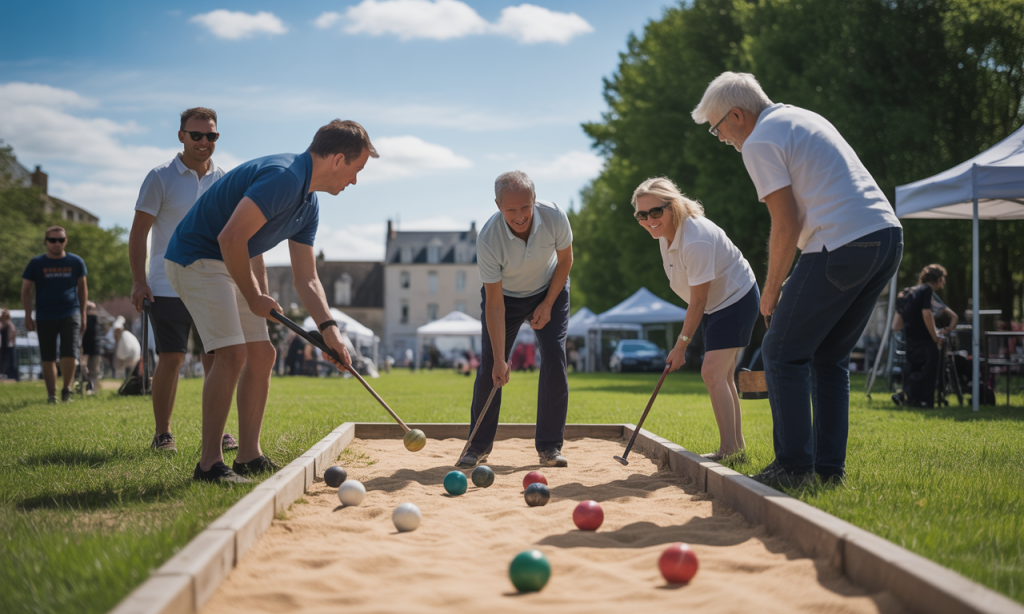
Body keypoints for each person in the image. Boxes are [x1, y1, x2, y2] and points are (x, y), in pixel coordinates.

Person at [692, 72, 903, 488]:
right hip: (885, 237)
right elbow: (819, 202)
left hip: (842, 242)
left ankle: (792, 467)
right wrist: (796, 279)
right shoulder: (803, 117)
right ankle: (827, 472)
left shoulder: (758, 141)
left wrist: (770, 292)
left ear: (737, 114)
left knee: (781, 352)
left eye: (717, 128)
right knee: (828, 358)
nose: (719, 138)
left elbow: (786, 222)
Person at [163, 119, 376, 483]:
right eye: (357, 170)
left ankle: (248, 456)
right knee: (231, 354)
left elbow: (306, 278)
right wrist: (253, 295)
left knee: (262, 354)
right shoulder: (284, 176)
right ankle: (209, 465)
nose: (355, 180)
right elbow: (231, 237)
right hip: (196, 256)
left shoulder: (308, 204)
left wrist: (330, 331)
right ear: (339, 160)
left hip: (230, 260)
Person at [632, 177, 760, 462]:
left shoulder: (695, 238)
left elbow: (698, 300)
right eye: (642, 214)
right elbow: (696, 297)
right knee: (722, 375)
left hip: (735, 299)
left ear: (673, 206)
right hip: (716, 304)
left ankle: (729, 450)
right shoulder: (665, 233)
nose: (649, 220)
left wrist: (680, 346)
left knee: (712, 373)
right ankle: (736, 449)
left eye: (656, 212)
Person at [130, 107, 231, 453]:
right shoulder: (160, 177)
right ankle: (163, 434)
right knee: (172, 357)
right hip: (165, 282)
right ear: (181, 136)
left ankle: (218, 432)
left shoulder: (223, 179)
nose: (204, 142)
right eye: (196, 135)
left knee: (216, 357)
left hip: (212, 282)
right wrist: (138, 281)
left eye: (211, 136)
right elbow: (138, 233)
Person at [457, 171, 573, 469]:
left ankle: (550, 447)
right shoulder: (488, 239)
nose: (520, 216)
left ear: (534, 200)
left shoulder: (555, 216)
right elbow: (494, 303)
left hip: (550, 289)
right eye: (511, 210)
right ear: (498, 205)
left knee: (554, 358)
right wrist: (499, 359)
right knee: (489, 368)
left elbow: (566, 260)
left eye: (525, 207)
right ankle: (477, 447)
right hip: (505, 298)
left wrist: (547, 304)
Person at [21, 226, 88, 403]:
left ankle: (67, 390)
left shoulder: (76, 262)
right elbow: (26, 291)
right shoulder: (36, 263)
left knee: (70, 352)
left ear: (65, 241)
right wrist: (28, 315)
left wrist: (83, 315)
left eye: (60, 240)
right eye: (52, 240)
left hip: (70, 312)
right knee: (48, 355)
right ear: (46, 242)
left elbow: (82, 289)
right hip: (45, 314)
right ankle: (52, 395)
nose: (56, 243)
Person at [892, 264, 956, 408]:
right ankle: (924, 402)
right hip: (925, 340)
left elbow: (896, 325)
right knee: (927, 372)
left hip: (910, 340)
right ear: (939, 279)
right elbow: (926, 313)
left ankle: (910, 399)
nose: (944, 282)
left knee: (912, 370)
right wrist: (935, 337)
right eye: (943, 279)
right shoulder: (926, 290)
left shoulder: (905, 293)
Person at [80, 301, 101, 394]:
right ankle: (84, 387)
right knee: (83, 368)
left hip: (94, 348)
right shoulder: (83, 319)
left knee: (94, 370)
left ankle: (92, 388)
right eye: (90, 308)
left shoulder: (96, 320)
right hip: (85, 348)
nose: (93, 310)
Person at [1, 309, 17, 381]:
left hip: (9, 345)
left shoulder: (10, 325)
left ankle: (12, 375)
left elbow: (13, 335)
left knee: (11, 361)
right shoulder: (3, 325)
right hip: (3, 345)